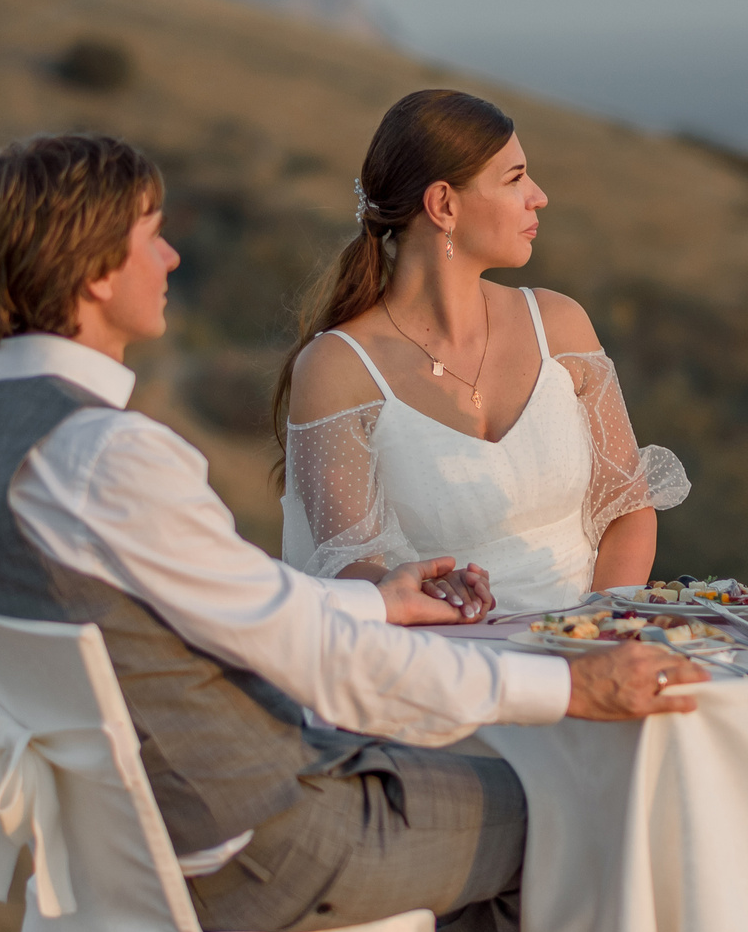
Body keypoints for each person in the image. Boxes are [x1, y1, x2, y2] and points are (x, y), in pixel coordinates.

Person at [0, 133, 705, 932]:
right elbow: (318, 661)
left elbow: (260, 608)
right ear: (94, 274)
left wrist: (380, 600)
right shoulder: (111, 456)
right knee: (566, 818)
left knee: (500, 793)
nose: (170, 256)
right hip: (261, 838)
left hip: (144, 838)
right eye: (151, 234)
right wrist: (572, 688)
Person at [275, 90, 687, 614]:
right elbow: (348, 566)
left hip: (591, 649)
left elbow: (627, 508)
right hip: (439, 661)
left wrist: (598, 628)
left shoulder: (560, 327)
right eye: (515, 179)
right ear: (444, 205)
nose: (538, 196)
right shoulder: (338, 368)